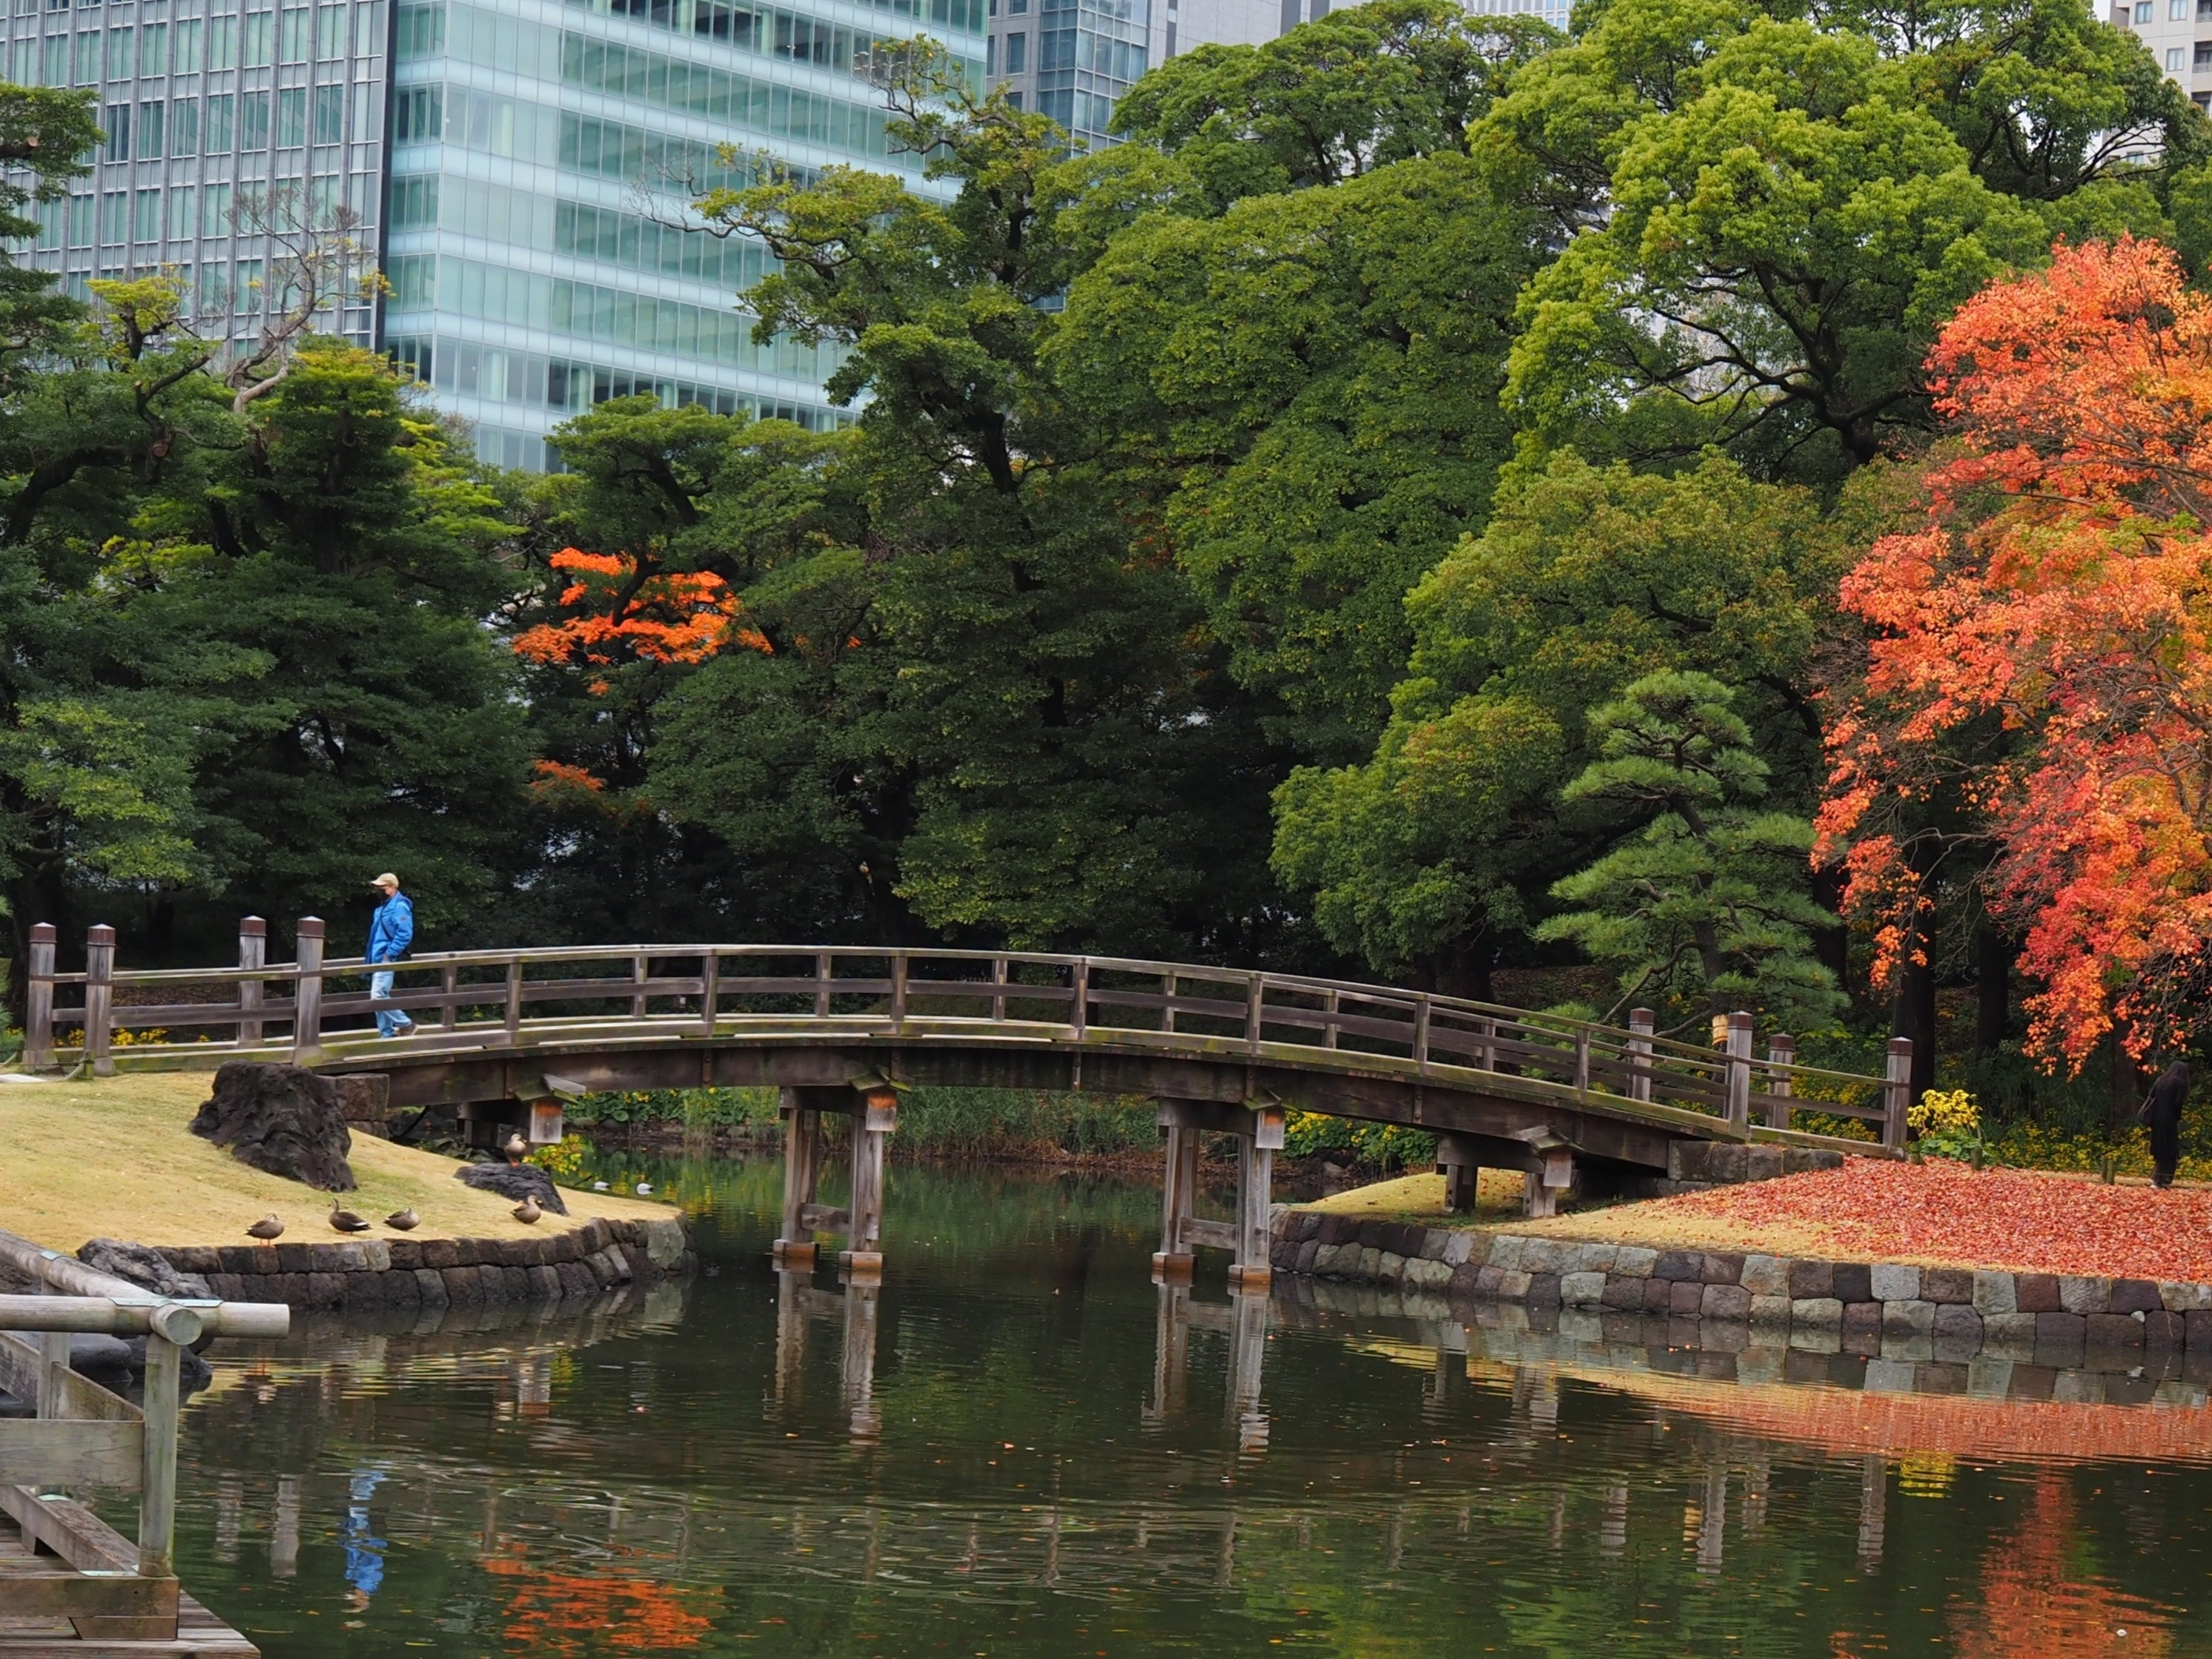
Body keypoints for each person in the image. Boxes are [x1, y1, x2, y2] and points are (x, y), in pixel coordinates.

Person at [367, 872, 415, 1039]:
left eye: (382, 887)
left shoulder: (400, 906)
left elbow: (405, 934)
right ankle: (386, 1034)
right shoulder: (382, 908)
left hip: (386, 957)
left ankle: (406, 1024)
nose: (378, 890)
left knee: (378, 996)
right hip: (378, 957)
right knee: (381, 996)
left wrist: (389, 954)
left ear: (392, 888)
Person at [2142, 1059, 2192, 1188]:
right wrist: (2177, 1117)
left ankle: (2157, 1178)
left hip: (2156, 1119)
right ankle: (2164, 1178)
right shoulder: (2180, 1083)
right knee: (2170, 1150)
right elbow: (2178, 1103)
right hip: (2169, 1120)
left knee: (2160, 1149)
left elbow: (2151, 1096)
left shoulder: (2160, 1080)